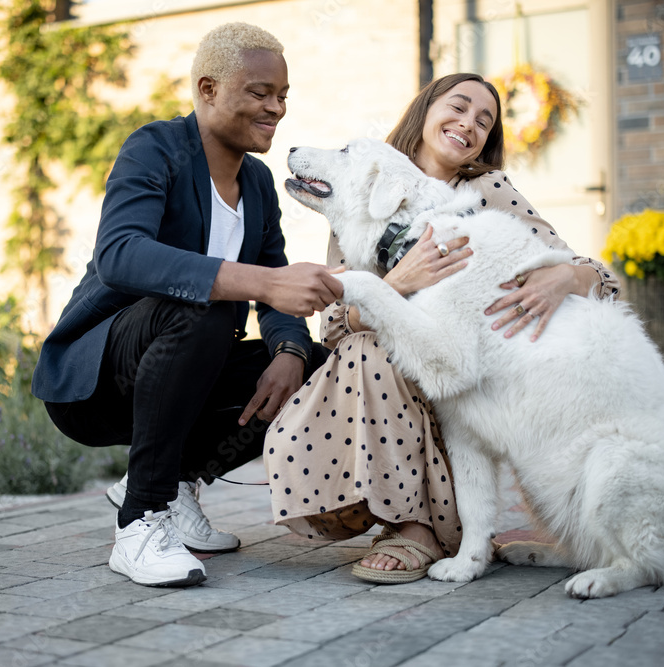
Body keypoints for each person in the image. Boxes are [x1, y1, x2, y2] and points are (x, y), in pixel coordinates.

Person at [263, 72, 622, 584]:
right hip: (398, 383)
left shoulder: (488, 190)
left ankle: (437, 528)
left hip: (476, 377)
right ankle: (414, 526)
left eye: (484, 121)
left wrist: (565, 275)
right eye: (459, 106)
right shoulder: (361, 182)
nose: (468, 124)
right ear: (426, 109)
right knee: (365, 351)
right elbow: (336, 327)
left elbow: (601, 277)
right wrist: (398, 283)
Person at [32, 23, 340, 587]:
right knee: (205, 305)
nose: (275, 108)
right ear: (207, 89)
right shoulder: (156, 149)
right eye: (259, 92)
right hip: (98, 378)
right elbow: (121, 255)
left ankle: (172, 483)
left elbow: (274, 278)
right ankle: (141, 522)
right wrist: (262, 286)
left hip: (186, 368)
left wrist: (291, 347)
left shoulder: (259, 183)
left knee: (315, 366)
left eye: (282, 96)